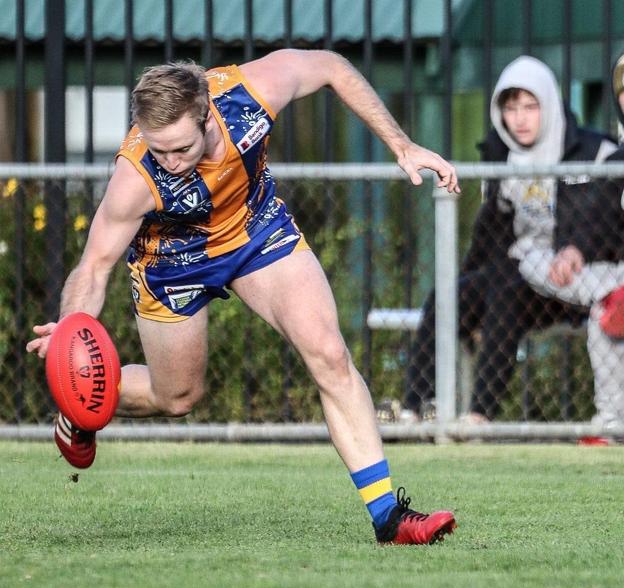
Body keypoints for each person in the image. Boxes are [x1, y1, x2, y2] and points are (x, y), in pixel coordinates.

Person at [26, 49, 460, 546]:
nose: (169, 162)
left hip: (255, 229)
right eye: (158, 149)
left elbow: (333, 67)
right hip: (172, 262)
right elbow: (94, 266)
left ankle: (390, 518)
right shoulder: (137, 177)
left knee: (330, 354)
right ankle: (83, 405)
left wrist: (401, 145)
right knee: (178, 397)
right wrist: (71, 335)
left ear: (207, 115)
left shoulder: (249, 94)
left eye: (181, 149)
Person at [381, 55, 616, 424]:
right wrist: (468, 286)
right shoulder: (500, 155)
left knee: (506, 287)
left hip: (580, 282)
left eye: (529, 106)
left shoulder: (598, 152)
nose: (520, 118)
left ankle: (478, 417)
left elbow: (611, 222)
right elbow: (491, 234)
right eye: (511, 107)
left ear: (550, 104)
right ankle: (416, 407)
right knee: (451, 295)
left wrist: (578, 250)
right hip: (521, 279)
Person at [519, 43, 624, 426]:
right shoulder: (617, 160)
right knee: (532, 259)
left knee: (603, 313)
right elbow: (598, 222)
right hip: (622, 277)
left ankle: (611, 421)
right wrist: (575, 250)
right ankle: (615, 426)